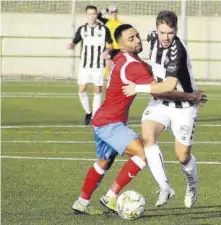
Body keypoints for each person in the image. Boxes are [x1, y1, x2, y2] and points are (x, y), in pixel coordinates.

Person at [72, 23, 206, 215]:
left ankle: (81, 202)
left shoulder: (124, 58)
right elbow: (163, 92)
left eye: (137, 36)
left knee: (104, 162)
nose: (137, 40)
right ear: (122, 45)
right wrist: (190, 97)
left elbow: (150, 70)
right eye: (131, 39)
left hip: (103, 120)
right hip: (110, 123)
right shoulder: (132, 65)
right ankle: (111, 196)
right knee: (143, 153)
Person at [122, 11, 203, 208]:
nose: (166, 37)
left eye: (170, 32)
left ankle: (192, 185)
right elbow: (133, 46)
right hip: (160, 102)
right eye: (162, 32)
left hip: (183, 107)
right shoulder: (151, 37)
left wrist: (138, 87)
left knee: (182, 157)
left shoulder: (178, 50)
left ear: (176, 30)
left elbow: (169, 85)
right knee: (148, 137)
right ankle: (165, 186)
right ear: (156, 29)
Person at [67, 5, 113, 125]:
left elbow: (110, 45)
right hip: (85, 66)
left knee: (97, 90)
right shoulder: (82, 29)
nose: (91, 16)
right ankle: (88, 112)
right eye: (89, 14)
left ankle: (95, 116)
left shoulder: (104, 29)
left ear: (96, 15)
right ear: (86, 15)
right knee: (82, 89)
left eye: (93, 14)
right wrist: (71, 45)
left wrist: (107, 51)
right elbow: (75, 41)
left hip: (98, 66)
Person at [97, 2, 123, 78]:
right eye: (112, 12)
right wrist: (107, 9)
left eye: (114, 12)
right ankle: (104, 79)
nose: (113, 13)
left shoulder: (120, 23)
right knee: (108, 66)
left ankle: (112, 79)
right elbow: (98, 16)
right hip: (110, 47)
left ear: (117, 12)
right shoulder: (107, 21)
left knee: (117, 67)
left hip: (118, 48)